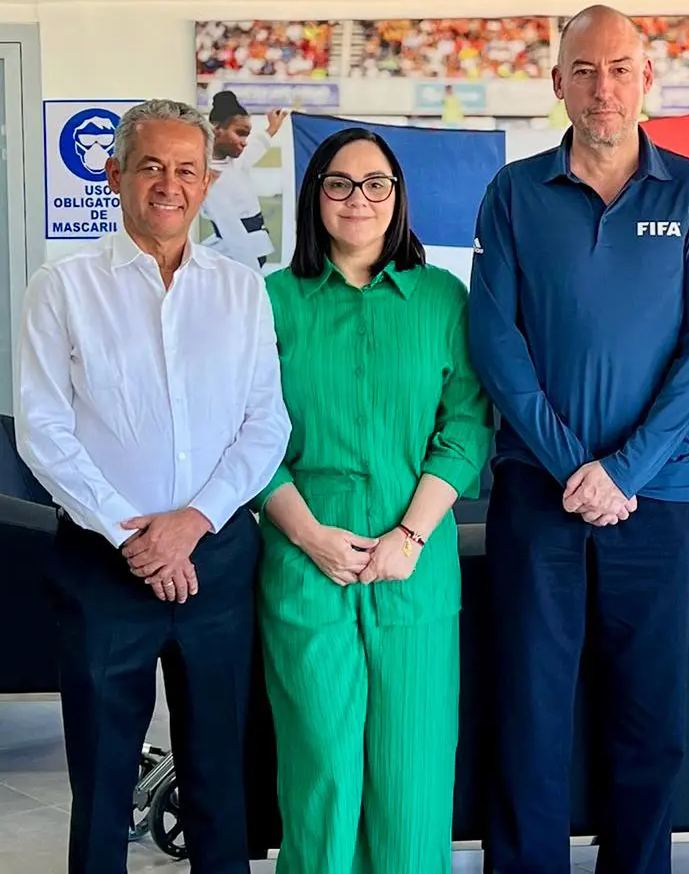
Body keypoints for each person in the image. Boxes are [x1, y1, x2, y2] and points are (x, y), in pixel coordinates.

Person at [468, 4, 689, 874]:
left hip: (652, 497)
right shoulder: (515, 194)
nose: (603, 87)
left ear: (646, 79)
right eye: (584, 70)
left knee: (646, 715)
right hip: (536, 495)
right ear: (557, 84)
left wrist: (622, 469)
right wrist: (567, 462)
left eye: (620, 68)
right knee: (531, 708)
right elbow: (495, 342)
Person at [15, 98, 291, 874]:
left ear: (206, 185)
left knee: (218, 777)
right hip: (105, 569)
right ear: (115, 176)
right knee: (102, 781)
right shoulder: (62, 288)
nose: (169, 184)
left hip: (219, 563)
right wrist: (135, 535)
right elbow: (42, 429)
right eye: (151, 166)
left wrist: (191, 523)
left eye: (186, 170)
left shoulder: (241, 291)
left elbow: (265, 426)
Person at [253, 126, 493, 874]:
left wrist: (411, 536)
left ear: (399, 198)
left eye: (376, 184)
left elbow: (466, 425)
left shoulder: (442, 298)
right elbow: (246, 434)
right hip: (303, 565)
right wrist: (310, 534)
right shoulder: (272, 301)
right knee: (321, 770)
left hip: (413, 567)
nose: (358, 199)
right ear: (314, 194)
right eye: (339, 183)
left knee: (412, 776)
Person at [201, 89, 287, 271]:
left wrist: (272, 127)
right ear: (216, 130)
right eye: (240, 133)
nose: (245, 141)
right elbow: (233, 234)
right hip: (235, 256)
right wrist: (253, 274)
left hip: (254, 246)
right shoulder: (209, 180)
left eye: (246, 135)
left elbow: (257, 146)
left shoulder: (235, 161)